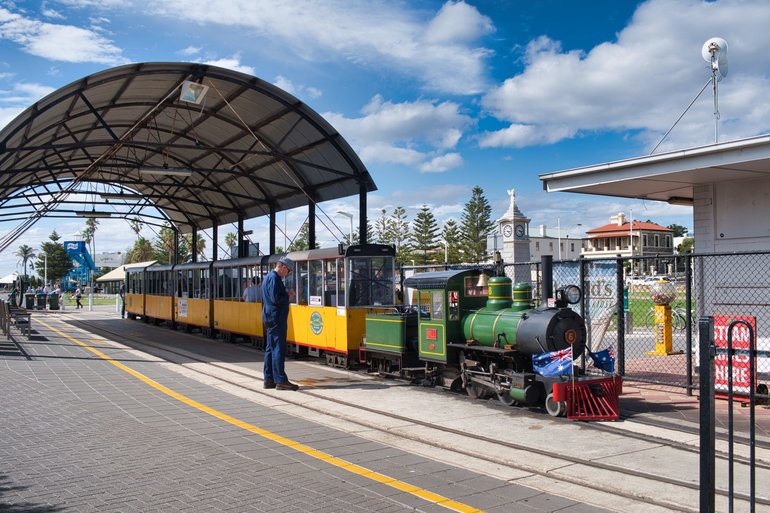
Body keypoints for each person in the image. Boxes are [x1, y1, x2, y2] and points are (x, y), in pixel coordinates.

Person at [261, 257, 298, 391]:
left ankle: (269, 379)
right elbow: (276, 298)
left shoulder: (268, 277)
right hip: (276, 317)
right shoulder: (275, 278)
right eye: (288, 270)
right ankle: (280, 380)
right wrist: (288, 296)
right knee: (278, 348)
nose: (287, 273)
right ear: (282, 267)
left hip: (270, 316)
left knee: (270, 348)